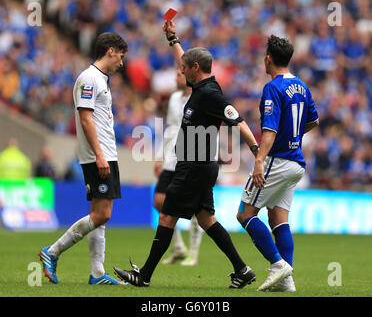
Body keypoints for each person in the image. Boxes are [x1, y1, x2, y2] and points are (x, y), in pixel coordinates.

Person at [114, 20, 260, 289]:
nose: (180, 70)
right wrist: (173, 40)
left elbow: (237, 120)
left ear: (195, 69)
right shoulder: (201, 87)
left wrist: (256, 152)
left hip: (194, 165)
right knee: (207, 220)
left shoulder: (211, 94)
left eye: (184, 68)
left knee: (167, 216)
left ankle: (144, 275)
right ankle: (242, 270)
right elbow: (185, 59)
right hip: (198, 165)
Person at [38, 32, 128, 286]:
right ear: (110, 51)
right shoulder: (89, 78)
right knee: (102, 214)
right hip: (98, 155)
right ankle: (52, 251)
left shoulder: (100, 79)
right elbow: (86, 118)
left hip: (105, 153)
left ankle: (97, 273)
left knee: (99, 214)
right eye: (121, 56)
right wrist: (99, 154)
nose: (122, 62)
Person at [236, 35, 320, 292]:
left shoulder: (273, 87)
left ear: (268, 58)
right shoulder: (303, 87)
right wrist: (293, 136)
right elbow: (314, 121)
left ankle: (278, 264)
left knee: (244, 214)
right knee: (278, 219)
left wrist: (259, 160)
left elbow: (269, 130)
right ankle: (287, 281)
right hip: (296, 164)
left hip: (278, 161)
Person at [153, 68, 203, 266]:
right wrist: (159, 156)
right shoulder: (174, 98)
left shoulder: (200, 98)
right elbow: (170, 129)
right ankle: (179, 247)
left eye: (179, 74)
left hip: (190, 158)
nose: (175, 78)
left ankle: (193, 253)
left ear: (189, 76)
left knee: (197, 208)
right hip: (171, 158)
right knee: (159, 201)